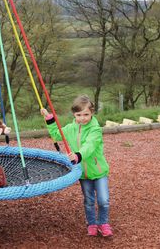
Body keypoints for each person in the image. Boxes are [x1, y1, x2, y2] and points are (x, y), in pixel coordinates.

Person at [41, 95, 112, 237]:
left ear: (92, 113)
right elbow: (56, 134)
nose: (82, 118)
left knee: (103, 200)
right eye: (79, 115)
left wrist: (78, 156)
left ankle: (103, 223)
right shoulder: (70, 128)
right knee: (89, 200)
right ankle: (91, 223)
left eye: (86, 114)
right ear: (74, 114)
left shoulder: (95, 130)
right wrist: (49, 119)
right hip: (83, 173)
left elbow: (89, 146)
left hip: (98, 172)